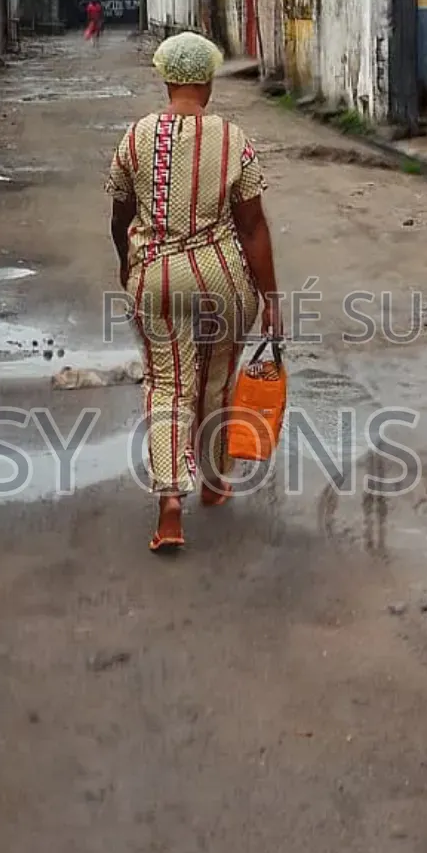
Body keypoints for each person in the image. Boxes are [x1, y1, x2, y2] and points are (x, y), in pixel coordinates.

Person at [106, 31, 282, 552]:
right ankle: (213, 481)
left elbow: (119, 215)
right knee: (218, 378)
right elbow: (253, 227)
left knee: (168, 384)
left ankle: (169, 506)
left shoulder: (135, 137)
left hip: (156, 278)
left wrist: (127, 263)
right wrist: (270, 298)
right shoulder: (234, 140)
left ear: (166, 78)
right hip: (222, 277)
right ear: (208, 81)